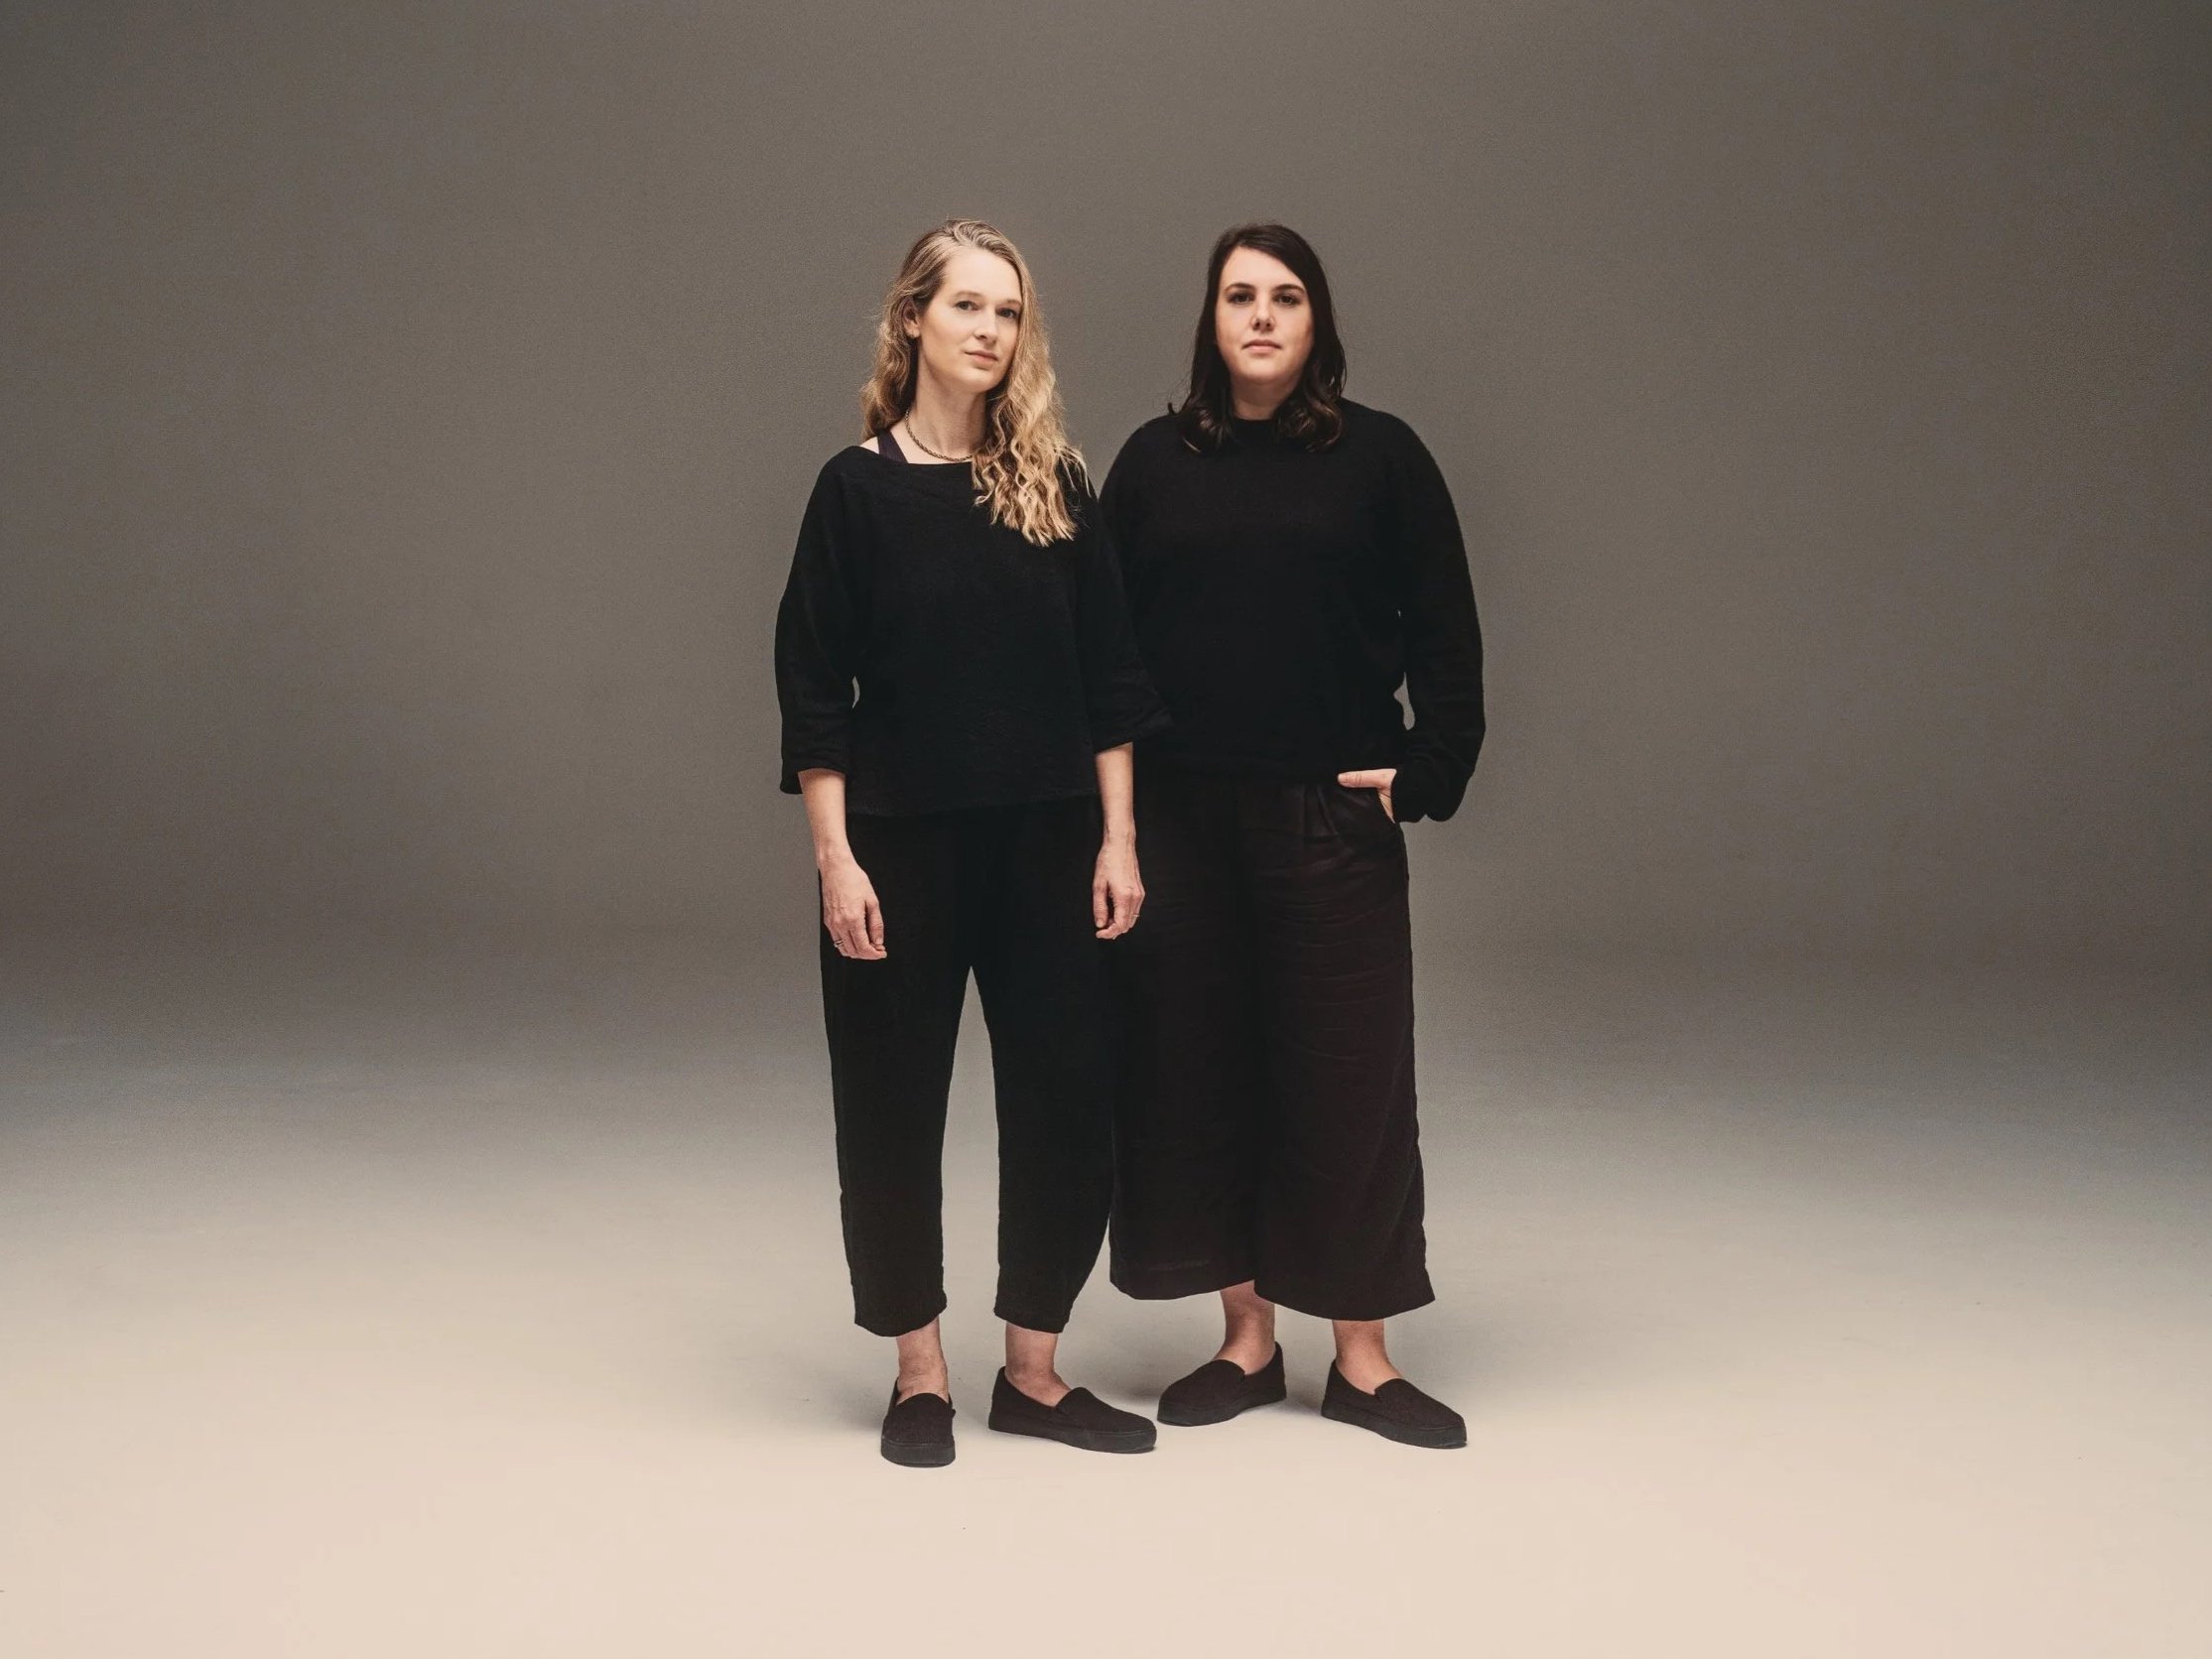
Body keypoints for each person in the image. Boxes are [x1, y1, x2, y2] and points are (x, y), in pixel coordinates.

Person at [774, 218, 1168, 1466]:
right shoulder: (857, 490)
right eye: (967, 308)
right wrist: (836, 860)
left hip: (1051, 845)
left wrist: (1121, 838)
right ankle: (920, 1373)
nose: (991, 330)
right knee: (890, 1110)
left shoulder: (1054, 484)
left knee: (1069, 1102)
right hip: (899, 849)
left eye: (1009, 311)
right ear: (912, 321)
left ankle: (1036, 1373)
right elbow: (812, 693)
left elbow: (1111, 680)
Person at [1101, 222, 1486, 1449]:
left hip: (1331, 815)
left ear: (1318, 322)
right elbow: (1101, 652)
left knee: (1350, 1079)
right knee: (1202, 1072)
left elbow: (1449, 634)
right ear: (1209, 321)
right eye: (1237, 296)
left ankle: (1363, 1360)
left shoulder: (1383, 457)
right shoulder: (1154, 463)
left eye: (1285, 297)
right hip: (1182, 816)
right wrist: (1112, 819)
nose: (1260, 316)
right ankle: (1248, 1341)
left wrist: (1427, 769)